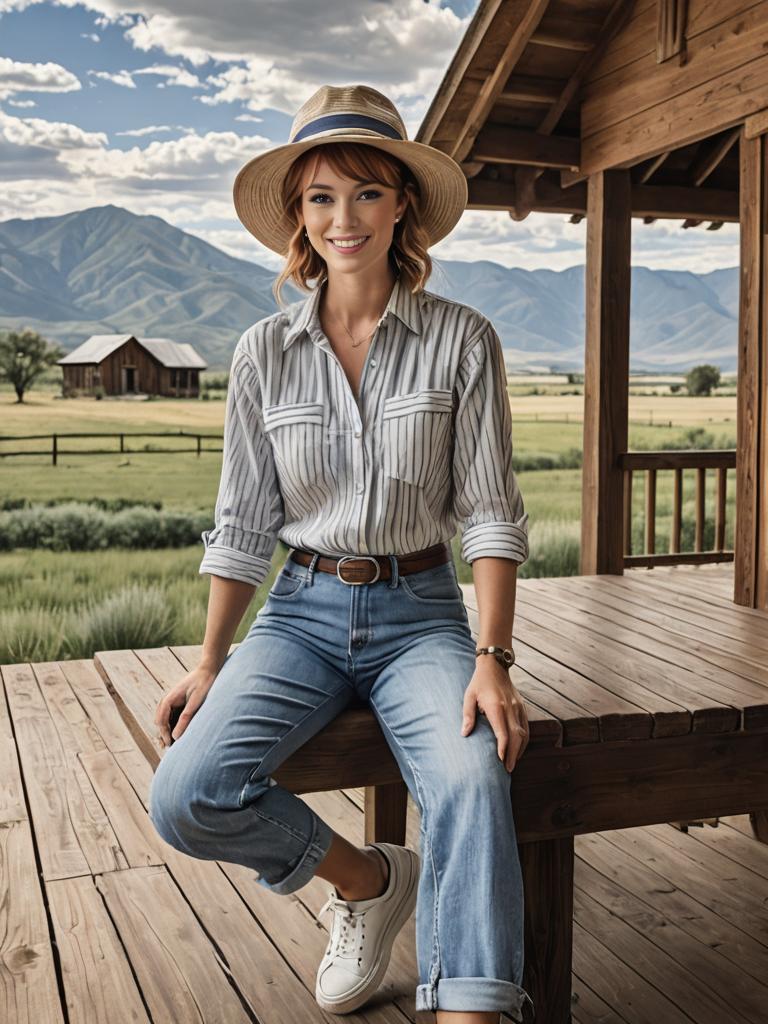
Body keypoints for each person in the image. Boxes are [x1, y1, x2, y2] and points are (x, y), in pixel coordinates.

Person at [149, 84, 534, 1024]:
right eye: (321, 197)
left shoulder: (462, 341)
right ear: (299, 215)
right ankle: (366, 882)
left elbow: (489, 513)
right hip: (302, 614)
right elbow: (242, 521)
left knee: (475, 778)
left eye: (365, 192)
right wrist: (210, 662)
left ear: (401, 202)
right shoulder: (261, 353)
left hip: (422, 615)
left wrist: (492, 660)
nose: (343, 217)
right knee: (186, 795)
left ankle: (471, 1008)